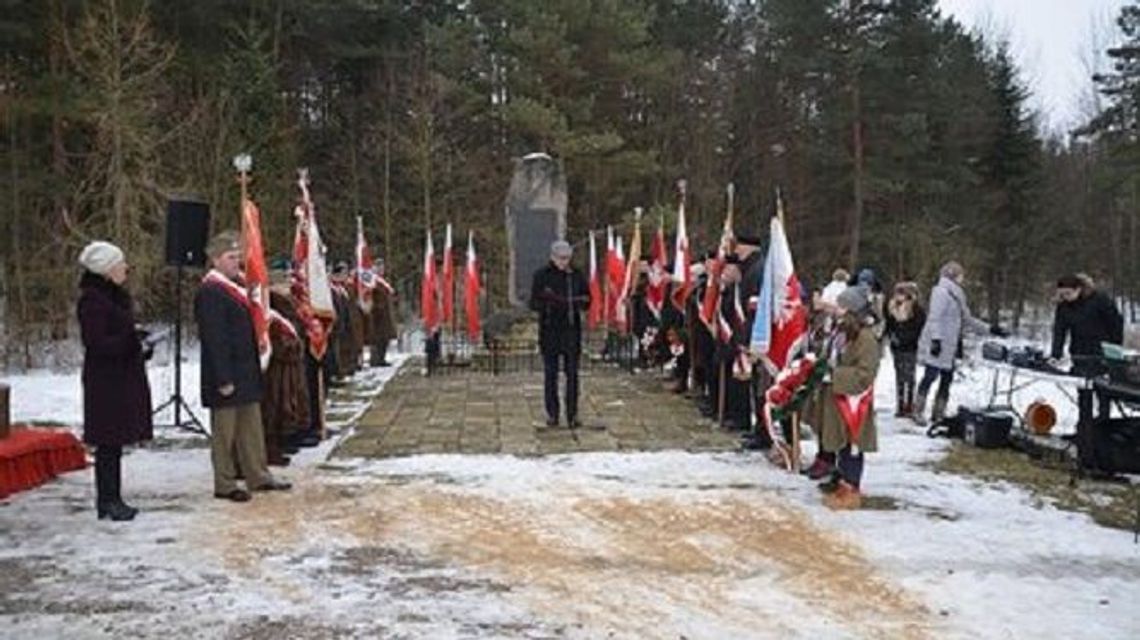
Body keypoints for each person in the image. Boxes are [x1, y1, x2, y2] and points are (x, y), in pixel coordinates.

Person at [195, 231, 292, 502]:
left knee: (251, 428)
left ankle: (257, 475)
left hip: (246, 370)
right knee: (225, 433)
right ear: (215, 259)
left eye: (238, 256)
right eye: (230, 257)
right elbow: (215, 338)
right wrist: (223, 377)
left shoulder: (237, 287)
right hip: (226, 373)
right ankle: (224, 483)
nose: (236, 262)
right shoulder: (211, 291)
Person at [77, 241, 153, 521]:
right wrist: (131, 341)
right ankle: (107, 500)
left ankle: (114, 497)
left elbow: (119, 336)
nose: (126, 268)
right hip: (105, 382)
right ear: (106, 269)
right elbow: (96, 342)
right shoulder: (92, 300)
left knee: (115, 443)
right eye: (120, 264)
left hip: (120, 377)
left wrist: (140, 343)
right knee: (108, 442)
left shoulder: (114, 297)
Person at [914, 261, 1005, 426]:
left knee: (946, 379)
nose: (962, 278)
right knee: (930, 376)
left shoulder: (957, 295)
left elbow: (967, 319)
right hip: (939, 343)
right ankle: (918, 410)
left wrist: (991, 329)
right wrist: (936, 340)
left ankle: (938, 413)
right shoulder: (941, 292)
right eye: (960, 274)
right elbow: (935, 317)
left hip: (951, 344)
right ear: (953, 275)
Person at [817, 286, 881, 510]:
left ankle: (851, 486)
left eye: (841, 306)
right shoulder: (842, 331)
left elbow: (866, 373)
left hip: (855, 403)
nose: (836, 310)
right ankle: (841, 480)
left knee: (853, 444)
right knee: (840, 441)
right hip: (837, 397)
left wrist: (836, 375)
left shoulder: (866, 338)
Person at [530, 240, 590, 427]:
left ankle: (572, 414)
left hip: (571, 330)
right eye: (561, 258)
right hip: (550, 330)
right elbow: (533, 302)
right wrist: (548, 303)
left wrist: (577, 302)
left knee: (572, 374)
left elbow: (588, 299)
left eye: (567, 258)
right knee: (551, 374)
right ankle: (553, 414)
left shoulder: (576, 275)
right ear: (553, 257)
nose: (564, 262)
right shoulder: (541, 275)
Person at [1051, 273, 1123, 376]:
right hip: (1079, 353)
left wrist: (1115, 347)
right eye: (1062, 294)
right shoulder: (1063, 306)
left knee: (1103, 388)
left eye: (1068, 293)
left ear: (1078, 289)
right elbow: (1059, 330)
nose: (1065, 297)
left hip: (1102, 352)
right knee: (1082, 386)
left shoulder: (1100, 299)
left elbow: (1116, 323)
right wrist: (1056, 354)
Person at [885, 281, 926, 417]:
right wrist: (892, 336)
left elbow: (918, 327)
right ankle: (901, 404)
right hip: (896, 346)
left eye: (902, 293)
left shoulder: (916, 309)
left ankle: (909, 403)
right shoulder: (892, 308)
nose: (899, 296)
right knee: (899, 375)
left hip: (910, 345)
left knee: (909, 375)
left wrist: (906, 337)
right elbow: (889, 325)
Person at [370, 260, 398, 367]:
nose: (382, 270)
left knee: (384, 339)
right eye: (379, 268)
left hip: (385, 314)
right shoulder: (374, 282)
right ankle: (376, 359)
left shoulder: (383, 281)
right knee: (378, 339)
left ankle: (382, 358)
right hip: (378, 314)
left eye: (382, 268)